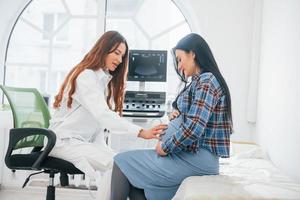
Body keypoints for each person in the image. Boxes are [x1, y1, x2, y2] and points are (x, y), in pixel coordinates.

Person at [110, 33, 233, 200]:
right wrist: (176, 112)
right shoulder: (198, 82)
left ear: (193, 54)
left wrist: (165, 147)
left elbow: (194, 128)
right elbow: (189, 112)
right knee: (135, 183)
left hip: (196, 158)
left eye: (180, 59)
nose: (179, 66)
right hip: (189, 154)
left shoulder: (207, 81)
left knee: (121, 162)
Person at [48, 30, 167, 185]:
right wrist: (141, 132)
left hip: (80, 142)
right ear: (104, 49)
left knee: (122, 161)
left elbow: (97, 127)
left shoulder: (102, 81)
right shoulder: (86, 76)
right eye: (117, 53)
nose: (119, 59)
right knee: (122, 166)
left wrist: (108, 152)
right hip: (64, 142)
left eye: (122, 56)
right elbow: (102, 114)